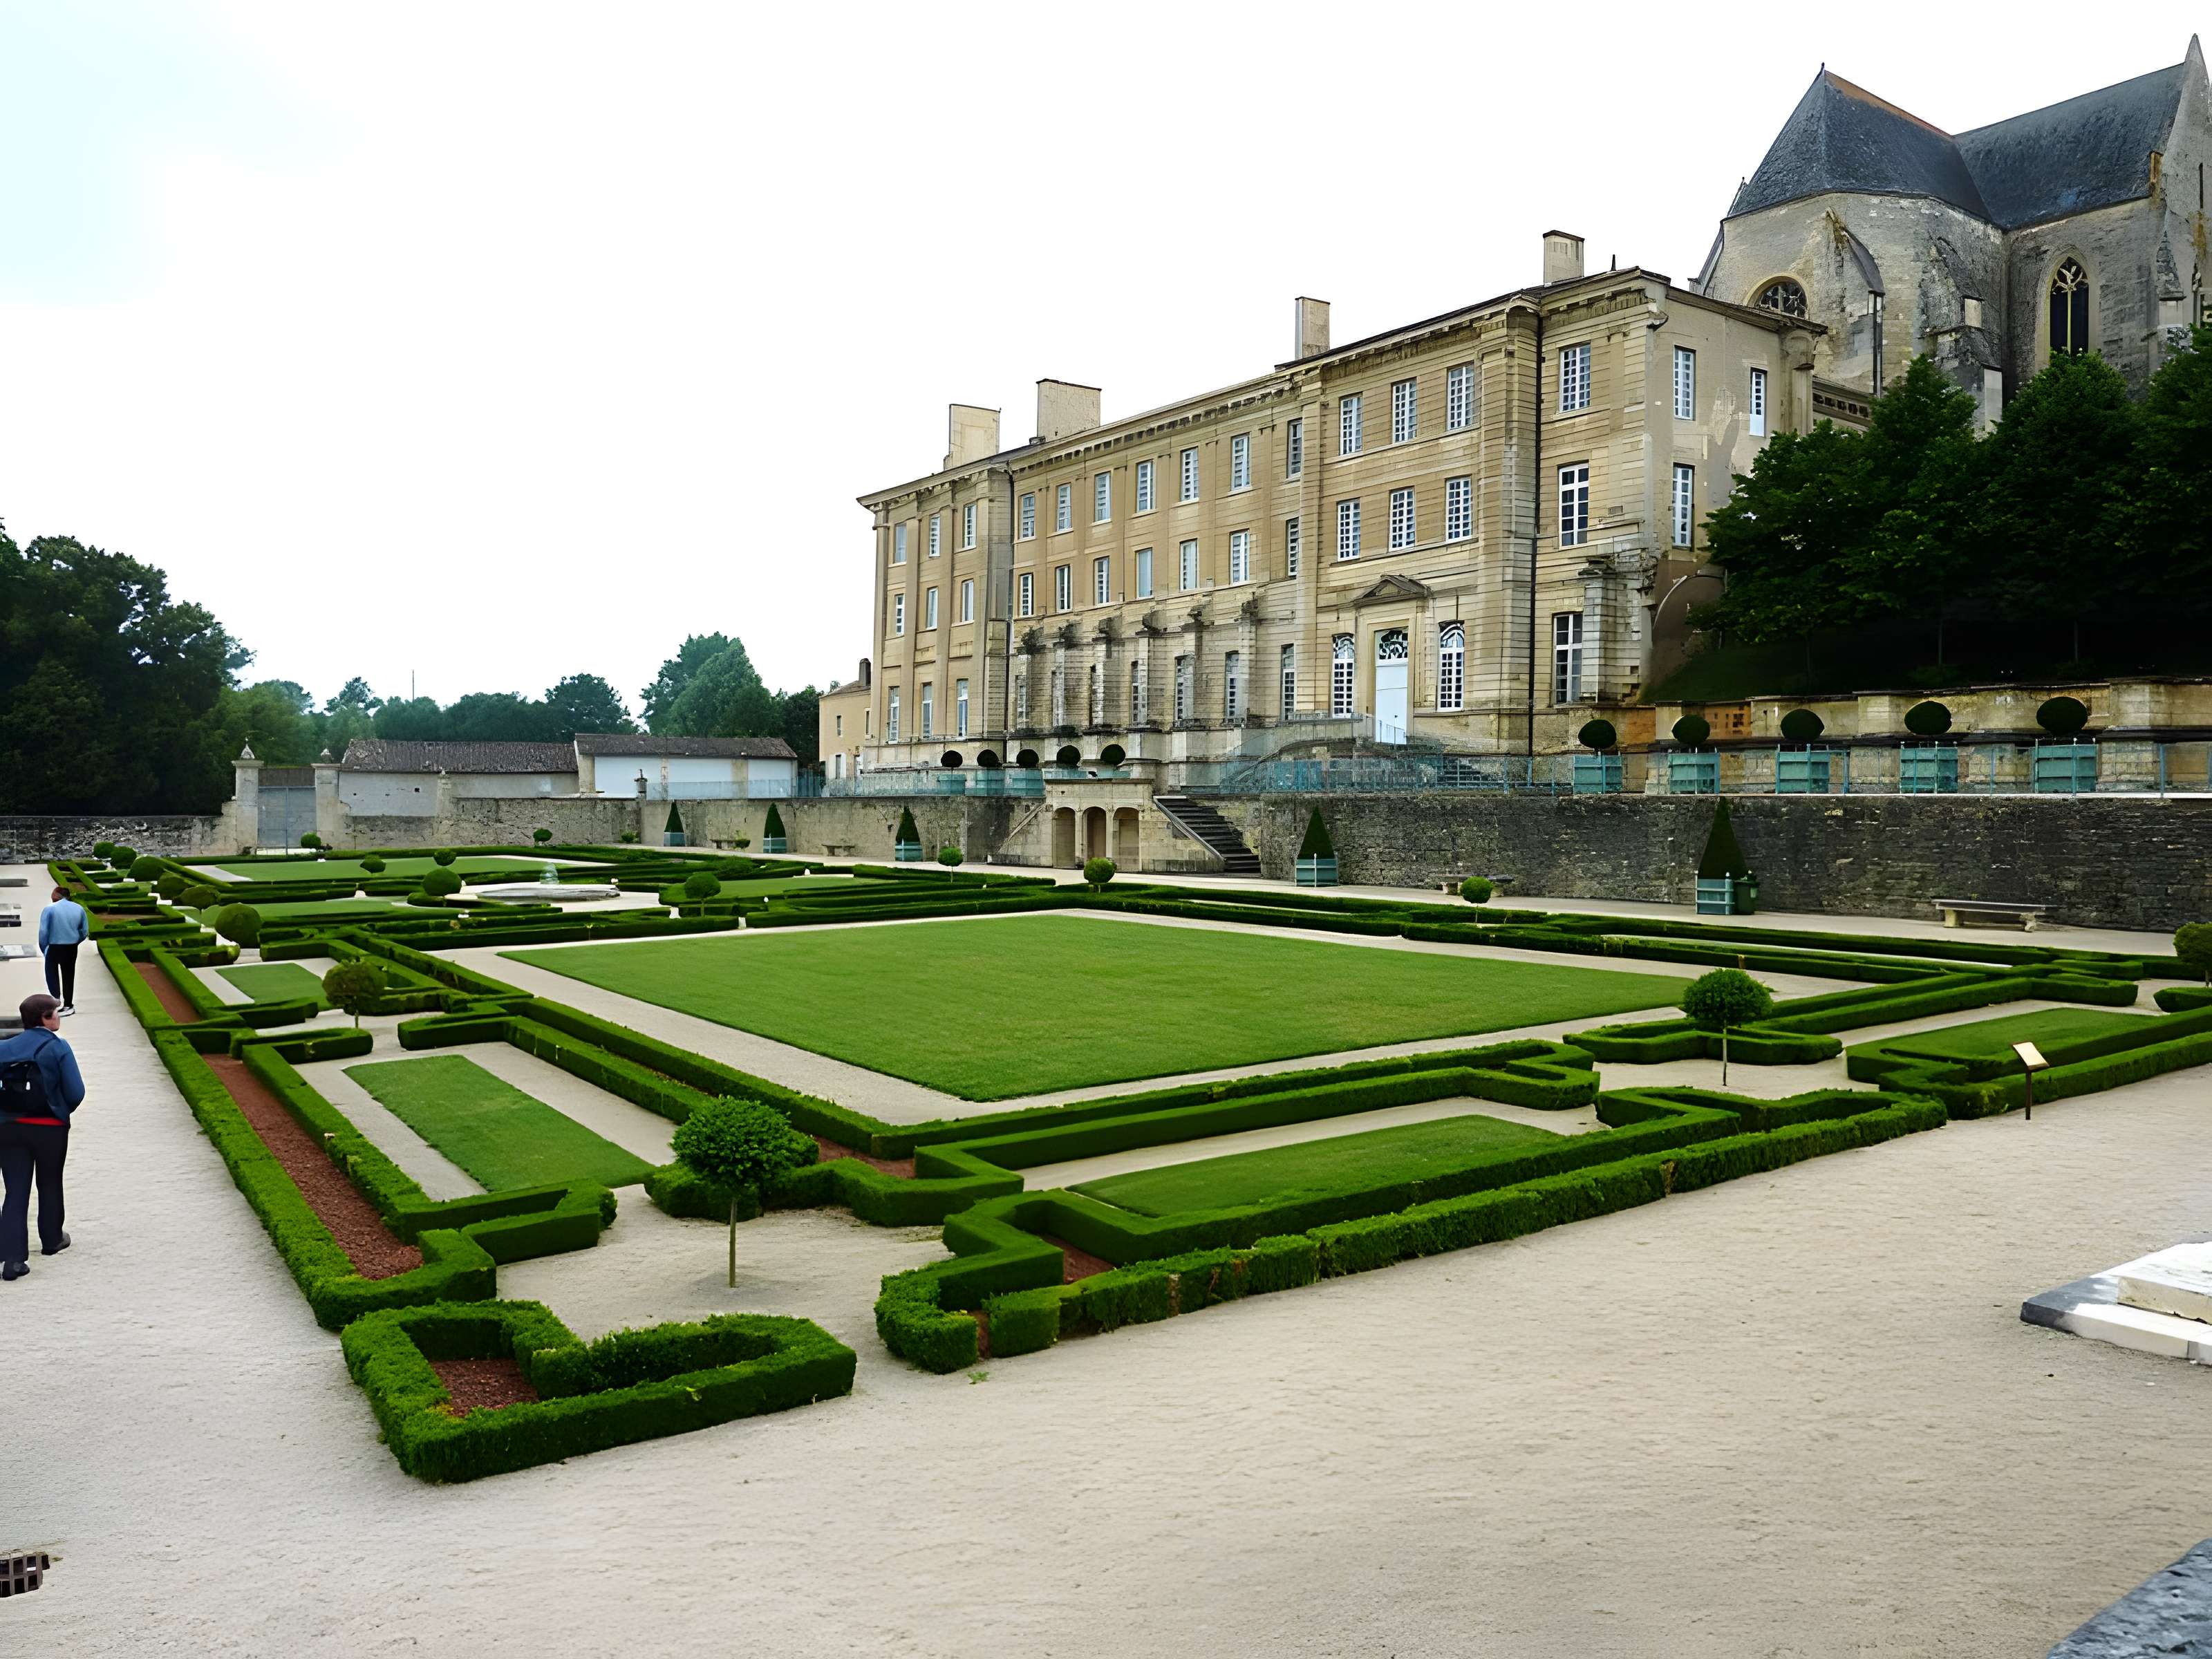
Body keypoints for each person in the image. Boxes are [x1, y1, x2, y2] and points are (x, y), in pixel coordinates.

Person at [0, 993, 83, 1280]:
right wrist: (58, 1111)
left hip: (8, 1128)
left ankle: (12, 1259)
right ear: (45, 1019)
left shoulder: (3, 1048)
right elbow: (76, 1092)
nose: (58, 1017)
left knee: (15, 1190)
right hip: (50, 1128)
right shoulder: (58, 1047)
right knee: (49, 1182)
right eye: (55, 1013)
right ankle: (51, 1240)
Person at [37, 885, 88, 1016]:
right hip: (71, 947)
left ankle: (56, 1000)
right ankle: (68, 1005)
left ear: (57, 895)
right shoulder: (79, 909)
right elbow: (84, 931)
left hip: (54, 946)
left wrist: (44, 948)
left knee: (51, 973)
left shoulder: (50, 909)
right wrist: (75, 941)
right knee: (69, 974)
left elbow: (44, 931)